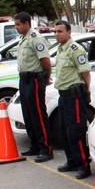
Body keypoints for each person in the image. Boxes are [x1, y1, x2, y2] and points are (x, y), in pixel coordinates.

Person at [53, 20, 92, 179]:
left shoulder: (75, 49)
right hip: (63, 95)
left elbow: (85, 73)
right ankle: (72, 161)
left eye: (60, 31)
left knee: (76, 131)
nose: (57, 34)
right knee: (65, 130)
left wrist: (86, 92)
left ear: (69, 32)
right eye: (55, 31)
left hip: (74, 96)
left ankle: (84, 164)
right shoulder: (60, 49)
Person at [14, 12, 54, 162]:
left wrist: (45, 77)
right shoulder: (23, 39)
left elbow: (45, 61)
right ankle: (35, 145)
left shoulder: (36, 38)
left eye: (18, 24)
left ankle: (46, 149)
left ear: (26, 23)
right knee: (28, 114)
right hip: (24, 79)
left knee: (38, 115)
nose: (16, 27)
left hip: (34, 79)